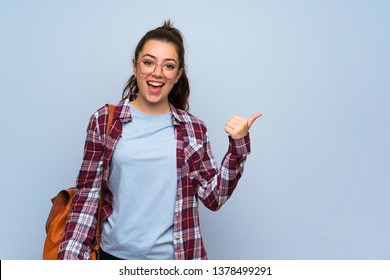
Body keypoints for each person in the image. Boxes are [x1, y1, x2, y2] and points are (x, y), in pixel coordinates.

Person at [58, 20, 261, 260]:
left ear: (178, 75)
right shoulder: (104, 121)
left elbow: (213, 197)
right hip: (112, 257)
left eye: (168, 66)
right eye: (148, 62)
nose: (157, 73)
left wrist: (238, 147)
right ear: (135, 67)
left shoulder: (193, 129)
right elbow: (88, 196)